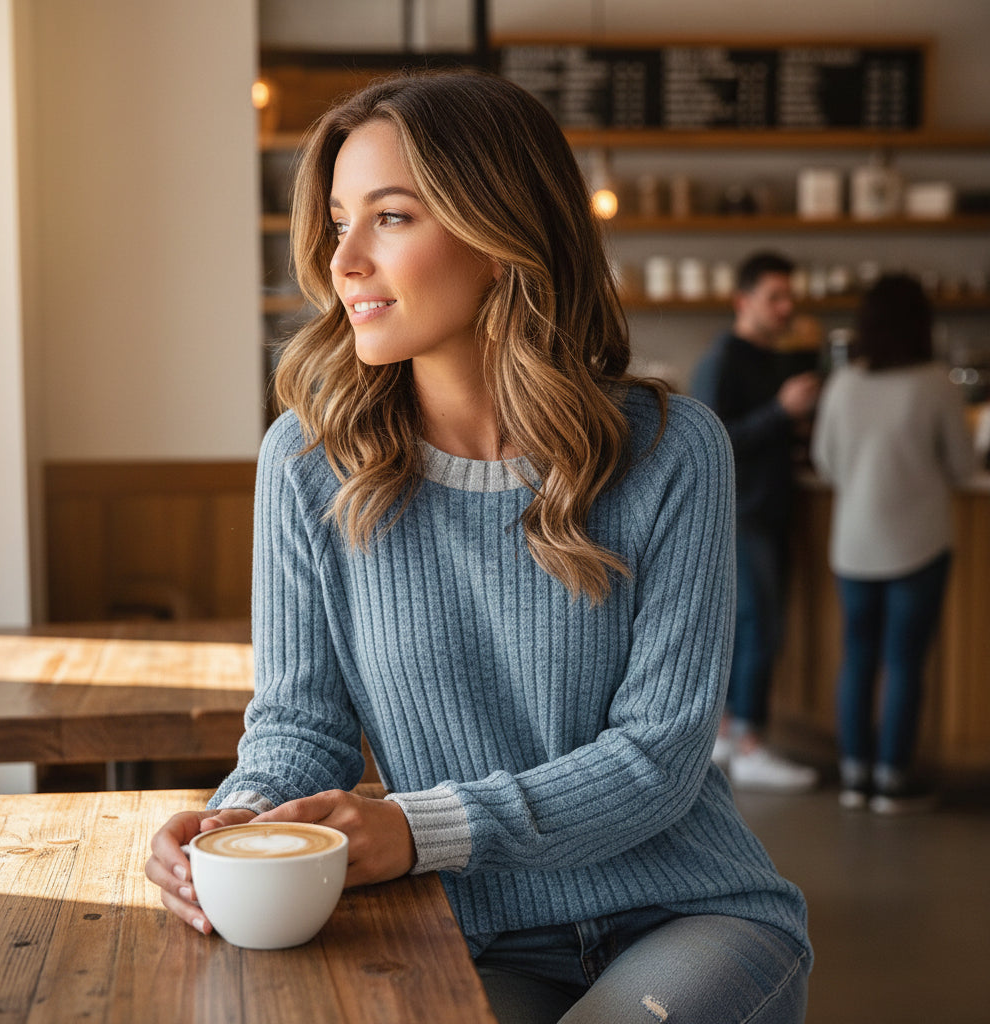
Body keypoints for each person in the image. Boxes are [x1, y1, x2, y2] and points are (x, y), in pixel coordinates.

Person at [145, 70, 811, 1023]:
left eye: (393, 218)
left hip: (688, 912)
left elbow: (660, 756)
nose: (345, 261)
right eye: (339, 222)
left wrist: (416, 829)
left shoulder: (674, 451)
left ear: (502, 235)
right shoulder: (305, 462)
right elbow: (301, 729)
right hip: (468, 929)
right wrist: (236, 826)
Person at [811, 273, 974, 813]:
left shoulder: (843, 383)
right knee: (904, 662)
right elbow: (962, 465)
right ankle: (892, 780)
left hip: (853, 546)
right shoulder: (935, 384)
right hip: (918, 545)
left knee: (857, 658)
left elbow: (825, 463)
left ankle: (854, 777)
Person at [690, 252, 821, 792]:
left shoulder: (773, 358)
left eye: (790, 297)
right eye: (775, 297)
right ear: (743, 302)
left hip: (767, 510)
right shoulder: (724, 360)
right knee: (755, 630)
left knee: (754, 628)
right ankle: (746, 744)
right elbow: (709, 444)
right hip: (741, 514)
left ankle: (730, 735)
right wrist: (783, 412)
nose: (787, 308)